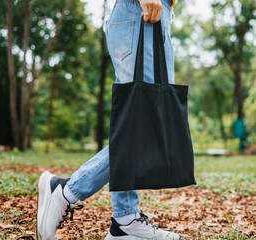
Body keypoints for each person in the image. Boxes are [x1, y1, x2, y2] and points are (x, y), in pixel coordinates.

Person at [36, 0, 181, 239]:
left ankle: (125, 221)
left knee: (141, 123)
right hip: (141, 13)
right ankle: (66, 191)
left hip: (153, 15)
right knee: (144, 125)